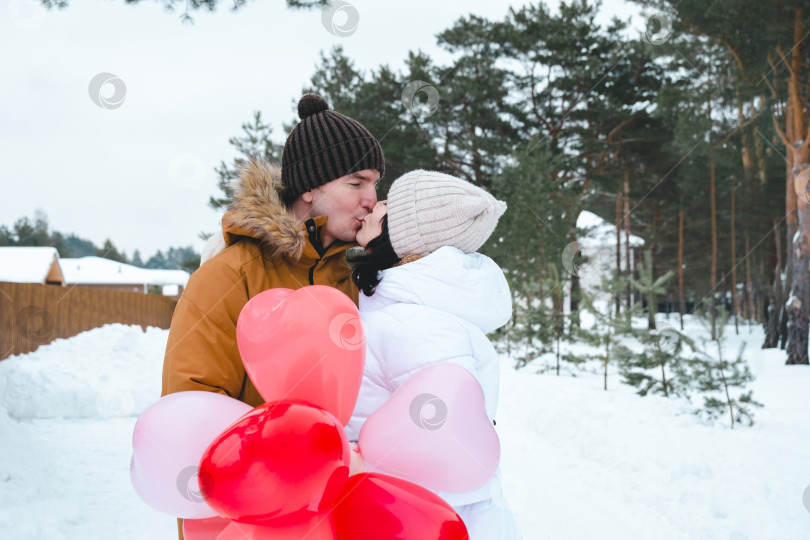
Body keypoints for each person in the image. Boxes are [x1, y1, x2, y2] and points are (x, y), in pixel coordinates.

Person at [160, 93, 384, 540]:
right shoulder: (228, 276)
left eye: (376, 183)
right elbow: (190, 410)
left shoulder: (364, 277)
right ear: (309, 188)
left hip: (341, 511)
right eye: (356, 183)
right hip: (249, 516)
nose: (372, 199)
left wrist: (387, 262)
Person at [345, 170, 523, 540]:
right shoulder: (407, 308)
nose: (373, 205)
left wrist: (357, 462)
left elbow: (443, 447)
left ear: (406, 240)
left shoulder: (421, 324)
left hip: (424, 522)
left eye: (387, 206)